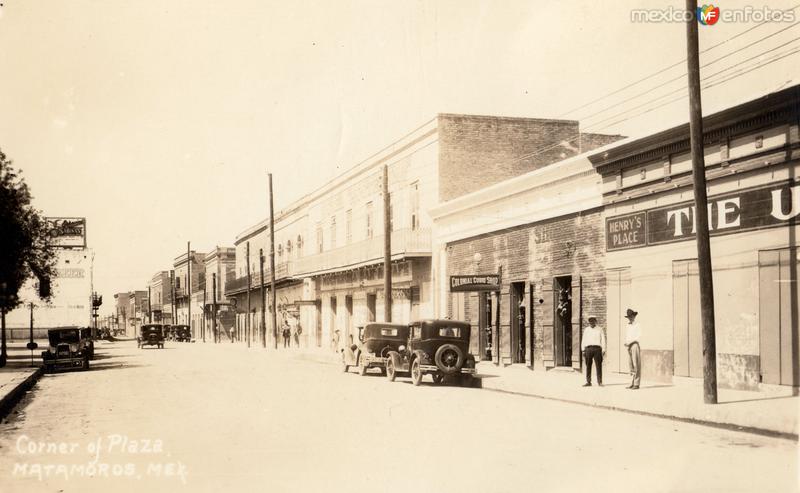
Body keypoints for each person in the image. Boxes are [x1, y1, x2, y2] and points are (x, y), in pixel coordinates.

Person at [581, 316, 605, 387]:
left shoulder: (599, 329)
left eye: (593, 321)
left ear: (595, 321)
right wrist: (583, 350)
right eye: (590, 321)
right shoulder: (586, 330)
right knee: (588, 365)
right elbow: (584, 340)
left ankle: (599, 382)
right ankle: (588, 381)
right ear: (589, 322)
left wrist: (603, 349)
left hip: (597, 349)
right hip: (588, 349)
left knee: (598, 366)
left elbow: (603, 339)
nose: (591, 323)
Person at [623, 308, 641, 390]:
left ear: (634, 316)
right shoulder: (627, 325)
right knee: (630, 365)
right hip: (629, 346)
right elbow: (627, 336)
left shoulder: (637, 325)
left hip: (634, 345)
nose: (630, 318)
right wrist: (626, 342)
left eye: (631, 316)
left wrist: (630, 342)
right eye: (629, 317)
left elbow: (638, 337)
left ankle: (636, 384)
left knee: (636, 364)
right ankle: (631, 383)